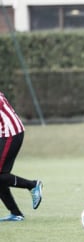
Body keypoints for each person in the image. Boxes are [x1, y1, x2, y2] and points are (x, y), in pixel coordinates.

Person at [0, 91, 43, 221]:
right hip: (7, 134)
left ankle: (32, 185)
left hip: (10, 134)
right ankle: (16, 213)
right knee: (1, 177)